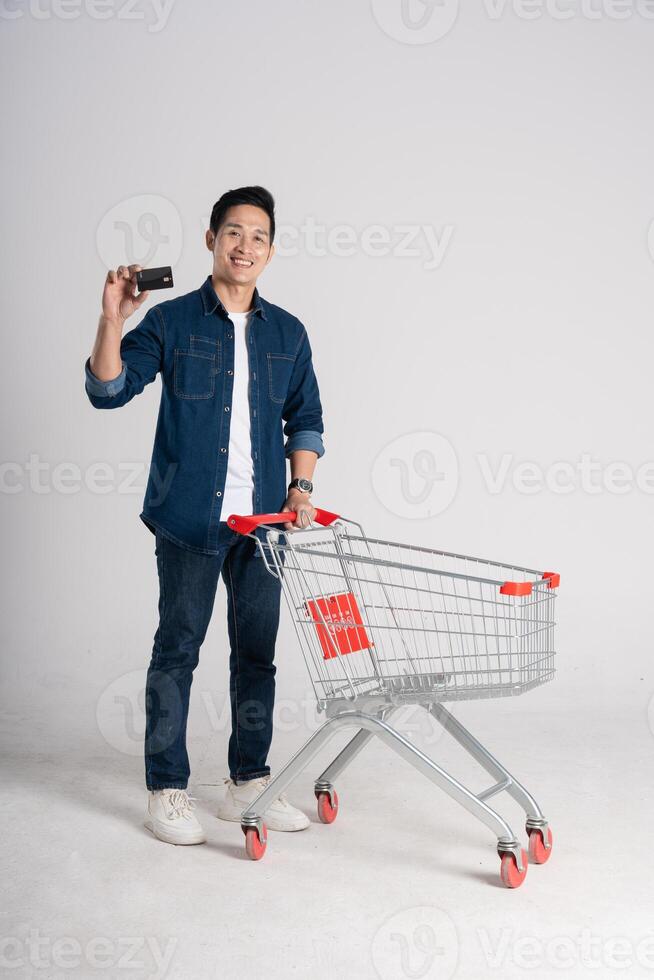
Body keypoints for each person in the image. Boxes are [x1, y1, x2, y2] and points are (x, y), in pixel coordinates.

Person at [84, 186, 325, 844]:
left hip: (266, 524)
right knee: (178, 651)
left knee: (257, 657)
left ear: (271, 250)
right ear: (211, 239)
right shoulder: (171, 323)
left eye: (259, 236)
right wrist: (114, 317)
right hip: (190, 517)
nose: (246, 245)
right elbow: (107, 390)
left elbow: (305, 420)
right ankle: (167, 787)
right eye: (234, 232)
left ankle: (248, 781)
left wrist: (300, 487)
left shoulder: (289, 333)